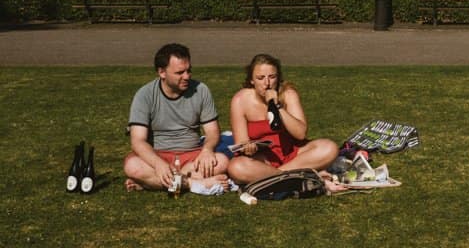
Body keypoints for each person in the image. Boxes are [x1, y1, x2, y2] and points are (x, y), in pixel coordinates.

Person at [124, 43, 231, 192]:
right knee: (132, 167)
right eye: (180, 72)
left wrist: (207, 150)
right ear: (162, 72)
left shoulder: (201, 90)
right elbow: (137, 141)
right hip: (158, 155)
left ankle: (150, 184)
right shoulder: (144, 95)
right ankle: (194, 184)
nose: (187, 76)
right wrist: (158, 164)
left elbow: (213, 132)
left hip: (192, 157)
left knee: (223, 162)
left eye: (189, 70)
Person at [227, 54, 342, 184]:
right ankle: (294, 177)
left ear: (278, 78)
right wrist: (248, 147)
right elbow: (241, 142)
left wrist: (277, 106)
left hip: (292, 155)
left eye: (272, 77)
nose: (267, 83)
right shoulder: (240, 100)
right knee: (236, 167)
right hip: (263, 158)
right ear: (252, 80)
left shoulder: (288, 94)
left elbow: (300, 134)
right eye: (260, 78)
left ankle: (277, 177)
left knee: (329, 147)